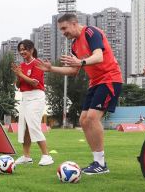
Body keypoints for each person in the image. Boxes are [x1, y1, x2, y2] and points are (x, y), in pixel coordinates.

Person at [37, 13, 123, 175]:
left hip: (110, 79)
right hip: (96, 82)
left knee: (91, 117)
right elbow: (73, 71)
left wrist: (81, 62)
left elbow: (98, 56)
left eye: (64, 28)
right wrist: (51, 69)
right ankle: (97, 161)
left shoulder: (91, 32)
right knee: (83, 120)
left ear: (74, 23)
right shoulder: (75, 46)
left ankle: (101, 164)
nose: (63, 33)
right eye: (61, 30)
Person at [11, 39, 54, 166]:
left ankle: (46, 155)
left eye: (24, 49)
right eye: (20, 50)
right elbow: (18, 85)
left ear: (31, 49)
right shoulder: (22, 66)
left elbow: (34, 83)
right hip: (24, 97)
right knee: (24, 128)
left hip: (36, 97)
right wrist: (18, 76)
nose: (22, 52)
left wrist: (21, 74)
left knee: (33, 125)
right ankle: (26, 156)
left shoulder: (37, 63)